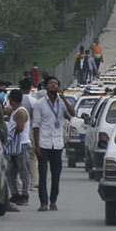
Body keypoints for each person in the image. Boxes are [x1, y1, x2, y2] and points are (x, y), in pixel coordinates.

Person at [32, 77, 77, 211]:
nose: (54, 85)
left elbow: (73, 114)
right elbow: (36, 126)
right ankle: (43, 202)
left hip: (57, 143)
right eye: (51, 83)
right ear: (46, 87)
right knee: (43, 174)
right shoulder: (40, 104)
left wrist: (64, 98)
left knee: (56, 175)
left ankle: (53, 201)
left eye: (56, 84)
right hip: (44, 143)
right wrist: (37, 145)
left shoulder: (62, 103)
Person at [5, 89, 30, 206]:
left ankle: (25, 194)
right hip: (14, 146)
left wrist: (8, 130)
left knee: (23, 170)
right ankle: (15, 193)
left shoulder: (20, 112)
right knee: (10, 171)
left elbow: (19, 128)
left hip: (21, 144)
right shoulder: (15, 111)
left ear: (11, 100)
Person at [19, 77, 38, 192]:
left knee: (18, 158)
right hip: (30, 131)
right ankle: (34, 182)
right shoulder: (33, 101)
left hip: (18, 133)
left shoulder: (16, 99)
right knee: (32, 157)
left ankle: (19, 183)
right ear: (31, 87)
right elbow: (35, 117)